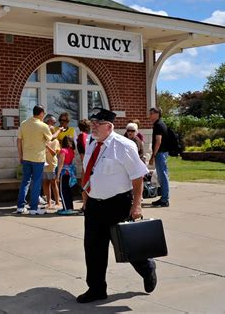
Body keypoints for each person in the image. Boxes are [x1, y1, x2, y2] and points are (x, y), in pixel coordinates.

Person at [77, 108, 157, 304]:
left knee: (127, 246)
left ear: (109, 126)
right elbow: (89, 172)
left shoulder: (124, 146)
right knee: (93, 247)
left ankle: (147, 268)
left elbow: (137, 177)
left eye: (98, 124)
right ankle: (96, 288)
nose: (93, 127)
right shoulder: (91, 142)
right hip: (95, 204)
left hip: (118, 204)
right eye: (93, 123)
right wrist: (86, 198)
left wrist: (137, 206)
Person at [16, 105, 52, 215]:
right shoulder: (43, 126)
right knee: (36, 182)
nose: (44, 115)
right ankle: (33, 208)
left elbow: (18, 141)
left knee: (25, 181)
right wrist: (56, 131)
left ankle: (20, 207)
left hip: (26, 157)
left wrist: (20, 155)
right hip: (38, 158)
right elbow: (50, 139)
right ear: (41, 113)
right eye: (44, 113)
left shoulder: (24, 124)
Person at [149, 107, 170, 207]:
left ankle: (165, 200)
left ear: (157, 114)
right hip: (163, 153)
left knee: (163, 176)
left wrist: (153, 155)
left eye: (151, 113)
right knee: (163, 176)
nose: (150, 116)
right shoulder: (161, 124)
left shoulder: (158, 125)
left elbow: (158, 141)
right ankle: (164, 198)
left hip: (160, 153)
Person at [56, 135, 77, 215]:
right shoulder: (71, 151)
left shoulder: (63, 151)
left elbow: (61, 163)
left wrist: (58, 175)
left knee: (63, 191)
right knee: (68, 191)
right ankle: (69, 207)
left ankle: (66, 208)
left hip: (64, 173)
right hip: (70, 173)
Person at [42, 119, 61, 209]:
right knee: (45, 183)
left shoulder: (55, 142)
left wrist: (47, 146)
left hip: (52, 165)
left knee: (53, 183)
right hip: (44, 165)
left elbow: (54, 153)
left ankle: (57, 201)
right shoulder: (44, 141)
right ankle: (48, 202)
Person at [77, 119, 91, 211]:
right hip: (94, 163)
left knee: (84, 184)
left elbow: (82, 153)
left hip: (87, 163)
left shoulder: (81, 136)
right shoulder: (92, 136)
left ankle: (85, 204)